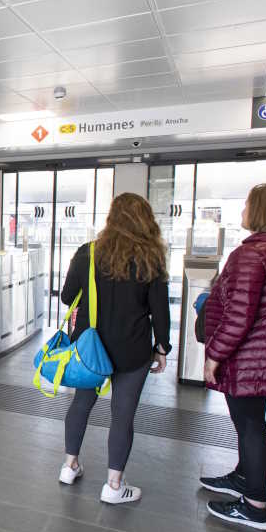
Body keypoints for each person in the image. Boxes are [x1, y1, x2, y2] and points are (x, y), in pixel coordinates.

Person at [199, 184, 266, 531]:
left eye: (247, 204)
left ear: (260, 211)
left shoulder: (254, 254)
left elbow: (239, 314)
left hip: (250, 357)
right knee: (249, 422)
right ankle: (244, 477)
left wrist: (214, 355)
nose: (243, 209)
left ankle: (254, 506)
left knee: (250, 425)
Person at [59, 193, 170, 504]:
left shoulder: (87, 252)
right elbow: (160, 310)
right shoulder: (151, 258)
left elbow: (68, 296)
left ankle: (69, 466)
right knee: (123, 415)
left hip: (90, 348)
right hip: (133, 349)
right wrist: (161, 347)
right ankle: (114, 486)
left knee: (81, 404)